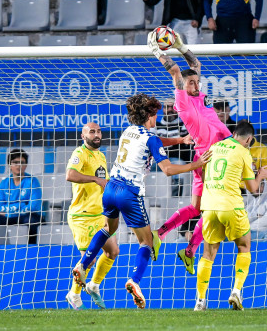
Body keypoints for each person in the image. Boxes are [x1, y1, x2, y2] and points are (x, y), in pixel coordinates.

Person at [71, 93, 210, 308]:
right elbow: (167, 169)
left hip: (110, 189)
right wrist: (195, 164)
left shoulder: (129, 131)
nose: (157, 118)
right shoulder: (151, 138)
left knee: (108, 228)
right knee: (146, 242)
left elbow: (154, 142)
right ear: (149, 115)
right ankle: (134, 281)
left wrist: (180, 140)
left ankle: (83, 264)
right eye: (155, 115)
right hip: (129, 193)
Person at [146, 32, 232, 275]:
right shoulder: (182, 101)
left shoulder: (202, 98)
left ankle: (160, 234)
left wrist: (181, 46)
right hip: (208, 159)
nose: (194, 85)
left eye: (196, 82)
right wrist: (156, 50)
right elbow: (176, 72)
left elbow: (195, 64)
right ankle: (191, 250)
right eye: (190, 83)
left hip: (208, 157)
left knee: (197, 208)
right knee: (211, 209)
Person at [194, 120, 267, 311]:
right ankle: (236, 291)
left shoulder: (214, 147)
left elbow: (204, 176)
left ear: (233, 133)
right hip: (231, 205)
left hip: (210, 206)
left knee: (208, 254)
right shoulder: (243, 152)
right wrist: (261, 174)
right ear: (249, 139)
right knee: (244, 246)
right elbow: (254, 189)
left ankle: (200, 301)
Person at [64, 123, 117, 310]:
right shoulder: (80, 153)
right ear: (83, 136)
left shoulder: (100, 155)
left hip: (99, 214)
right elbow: (69, 174)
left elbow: (103, 183)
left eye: (99, 131)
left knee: (112, 252)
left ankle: (93, 285)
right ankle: (74, 295)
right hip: (82, 215)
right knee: (89, 259)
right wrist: (95, 179)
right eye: (92, 132)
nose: (97, 135)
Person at [0, 149, 43, 245]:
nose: (19, 166)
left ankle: (31, 248)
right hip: (9, 217)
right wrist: (21, 205)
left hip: (25, 216)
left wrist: (10, 211)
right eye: (15, 162)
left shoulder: (32, 181)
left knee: (31, 220)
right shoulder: (4, 183)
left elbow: (33, 207)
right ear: (9, 165)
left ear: (26, 165)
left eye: (22, 163)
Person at [153, 99, 193, 196]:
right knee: (147, 168)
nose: (170, 109)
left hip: (176, 159)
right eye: (167, 107)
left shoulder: (183, 125)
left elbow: (185, 147)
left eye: (173, 107)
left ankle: (175, 198)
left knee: (180, 165)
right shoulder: (156, 126)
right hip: (158, 160)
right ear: (163, 109)